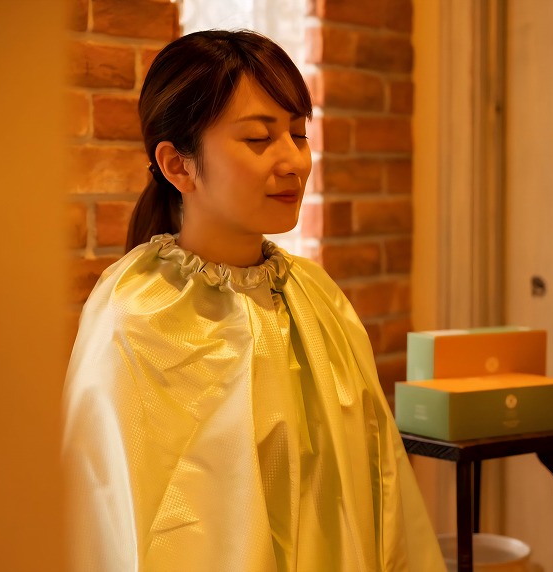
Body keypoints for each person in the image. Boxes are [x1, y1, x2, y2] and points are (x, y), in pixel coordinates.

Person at [63, 30, 445, 572]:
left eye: (298, 133)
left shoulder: (317, 296)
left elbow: (376, 488)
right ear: (178, 165)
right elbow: (114, 525)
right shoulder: (137, 315)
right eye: (259, 139)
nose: (294, 161)